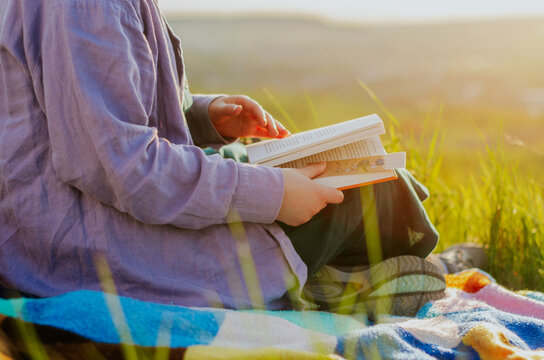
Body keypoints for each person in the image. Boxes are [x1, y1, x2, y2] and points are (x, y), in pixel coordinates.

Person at [0, 0, 443, 316]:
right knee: (366, 193)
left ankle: (339, 273)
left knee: (369, 175)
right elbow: (123, 169)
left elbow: (98, 117)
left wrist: (205, 114)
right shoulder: (85, 7)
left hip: (79, 217)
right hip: (81, 248)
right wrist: (273, 194)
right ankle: (342, 276)